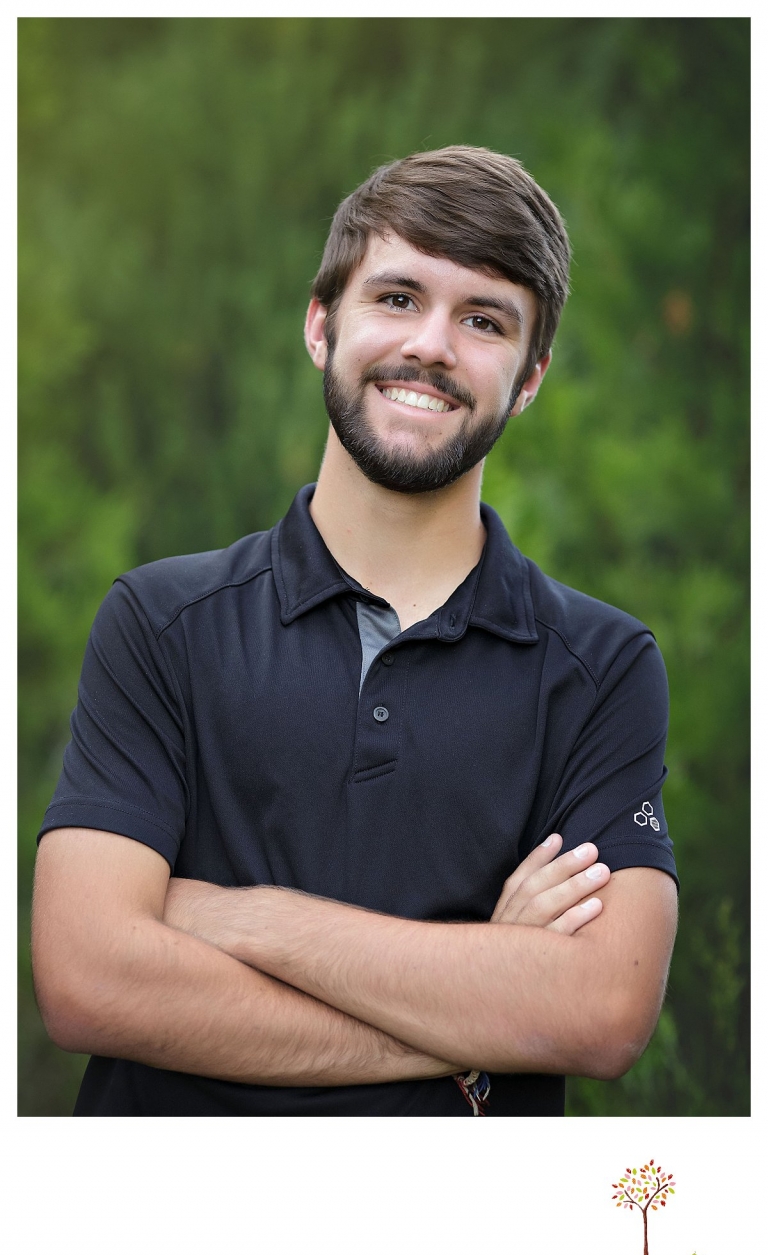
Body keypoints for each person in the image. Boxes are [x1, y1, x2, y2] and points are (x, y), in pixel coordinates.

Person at [32, 146, 678, 1117]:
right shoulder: (162, 623)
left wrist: (243, 919)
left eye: (484, 320)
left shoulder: (603, 668)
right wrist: (476, 1025)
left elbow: (605, 1010)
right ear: (320, 324)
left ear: (532, 375)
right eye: (397, 298)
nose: (433, 346)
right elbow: (87, 978)